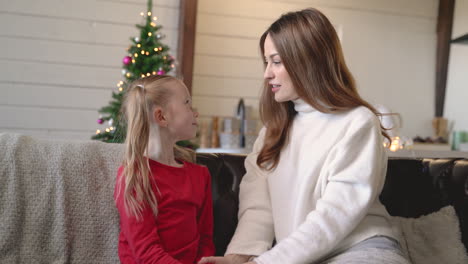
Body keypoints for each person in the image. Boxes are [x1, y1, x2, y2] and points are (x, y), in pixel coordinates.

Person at [199, 8, 409, 264]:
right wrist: (237, 258)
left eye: (276, 61)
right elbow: (258, 209)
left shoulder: (357, 122)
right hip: (301, 257)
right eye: (266, 62)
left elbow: (336, 214)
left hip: (360, 250)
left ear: (306, 61)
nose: (267, 73)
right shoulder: (270, 133)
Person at [114, 75, 215, 263]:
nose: (195, 112)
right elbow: (146, 252)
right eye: (187, 103)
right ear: (161, 116)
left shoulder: (200, 175)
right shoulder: (135, 177)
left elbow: (205, 241)